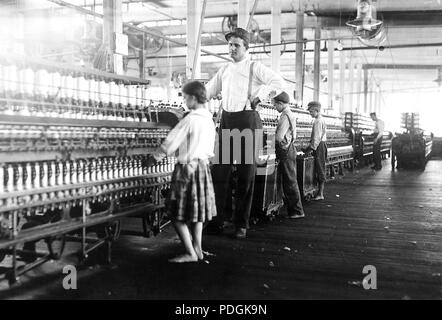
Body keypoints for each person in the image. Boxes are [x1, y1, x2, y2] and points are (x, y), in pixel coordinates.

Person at [205, 27, 285, 239]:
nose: (232, 48)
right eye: (230, 44)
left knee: (245, 175)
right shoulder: (224, 70)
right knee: (219, 173)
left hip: (248, 121)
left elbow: (279, 83)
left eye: (236, 45)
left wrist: (261, 95)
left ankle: (241, 223)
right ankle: (217, 221)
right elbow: (208, 91)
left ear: (246, 47)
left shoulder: (254, 67)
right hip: (227, 121)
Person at [150, 81, 217, 263]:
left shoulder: (190, 119)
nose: (185, 101)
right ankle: (198, 249)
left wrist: (154, 158)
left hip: (187, 169)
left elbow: (171, 142)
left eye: (186, 97)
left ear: (193, 98)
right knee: (197, 214)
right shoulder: (209, 119)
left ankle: (190, 253)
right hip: (203, 167)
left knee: (175, 214)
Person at [273, 91, 305, 218]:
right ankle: (294, 210)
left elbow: (279, 137)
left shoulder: (285, 115)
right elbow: (294, 136)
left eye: (275, 105)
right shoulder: (291, 114)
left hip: (285, 150)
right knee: (290, 179)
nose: (275, 108)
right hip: (290, 148)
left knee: (290, 180)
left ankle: (297, 211)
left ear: (280, 103)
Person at [304, 101, 327, 200]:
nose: (310, 113)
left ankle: (320, 194)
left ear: (316, 110)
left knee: (320, 168)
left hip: (319, 147)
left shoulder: (318, 121)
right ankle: (318, 192)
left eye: (311, 111)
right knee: (319, 167)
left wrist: (309, 148)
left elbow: (316, 139)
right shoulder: (321, 119)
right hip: (321, 145)